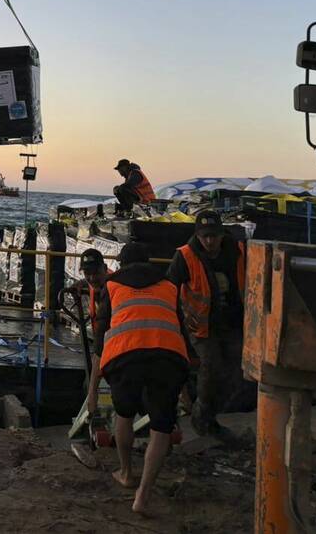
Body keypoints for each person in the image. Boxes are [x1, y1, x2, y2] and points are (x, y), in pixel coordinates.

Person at [88, 242, 189, 515]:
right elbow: (179, 323)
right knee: (161, 427)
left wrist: (93, 389)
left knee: (124, 414)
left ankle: (126, 472)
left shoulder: (111, 286)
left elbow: (100, 335)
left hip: (125, 355)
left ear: (121, 264)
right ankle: (143, 497)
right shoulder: (169, 285)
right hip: (167, 356)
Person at [167, 208, 246, 438]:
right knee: (211, 368)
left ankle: (208, 414)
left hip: (232, 322)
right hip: (201, 326)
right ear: (198, 236)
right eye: (205, 236)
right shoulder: (185, 256)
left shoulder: (239, 252)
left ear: (222, 235)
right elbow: (170, 288)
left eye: (214, 236)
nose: (210, 241)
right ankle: (203, 418)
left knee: (235, 371)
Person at [77, 248, 110, 336]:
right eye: (87, 273)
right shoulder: (95, 284)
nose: (92, 278)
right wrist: (81, 283)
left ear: (105, 268)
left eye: (96, 273)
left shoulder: (115, 290)